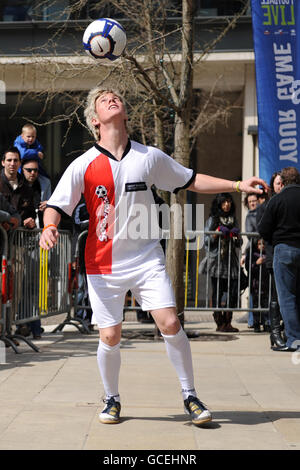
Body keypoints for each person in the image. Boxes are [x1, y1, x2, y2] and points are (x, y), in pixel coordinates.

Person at [39, 87, 267, 427]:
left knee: (171, 323)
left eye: (117, 95)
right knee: (110, 336)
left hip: (146, 258)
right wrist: (49, 227)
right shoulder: (83, 164)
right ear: (94, 120)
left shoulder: (149, 157)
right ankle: (112, 398)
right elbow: (56, 205)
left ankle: (190, 394)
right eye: (104, 99)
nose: (113, 98)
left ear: (125, 113)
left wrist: (237, 185)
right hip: (102, 265)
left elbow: (191, 180)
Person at [258, 166, 300, 352]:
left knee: (287, 298)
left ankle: (294, 340)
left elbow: (263, 228)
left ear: (282, 183)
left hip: (283, 250)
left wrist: (273, 238)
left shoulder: (277, 200)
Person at [200, 193, 242, 332]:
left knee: (233, 292)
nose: (227, 205)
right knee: (217, 292)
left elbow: (239, 242)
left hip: (231, 261)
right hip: (217, 260)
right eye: (224, 202)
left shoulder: (233, 220)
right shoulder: (213, 219)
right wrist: (216, 232)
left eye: (229, 202)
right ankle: (219, 323)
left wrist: (235, 236)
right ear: (219, 204)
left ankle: (228, 322)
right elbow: (206, 241)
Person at [256, 171, 285, 350]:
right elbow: (262, 230)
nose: (280, 186)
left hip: (289, 255)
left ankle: (286, 330)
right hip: (274, 255)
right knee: (275, 296)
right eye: (277, 183)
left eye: (282, 183)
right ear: (272, 186)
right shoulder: (267, 206)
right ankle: (275, 332)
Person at [0, 147, 36, 228]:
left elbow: (31, 215)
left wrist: (29, 222)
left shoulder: (27, 188)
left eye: (15, 160)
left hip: (20, 237)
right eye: (9, 160)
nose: (12, 163)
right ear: (3, 163)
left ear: (20, 163)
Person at [245, 238, 269, 333]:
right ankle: (256, 324)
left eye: (263, 243)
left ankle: (266, 323)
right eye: (259, 244)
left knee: (265, 305)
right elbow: (248, 267)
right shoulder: (252, 254)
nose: (262, 245)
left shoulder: (267, 254)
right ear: (256, 244)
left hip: (266, 285)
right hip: (255, 285)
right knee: (255, 305)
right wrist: (256, 263)